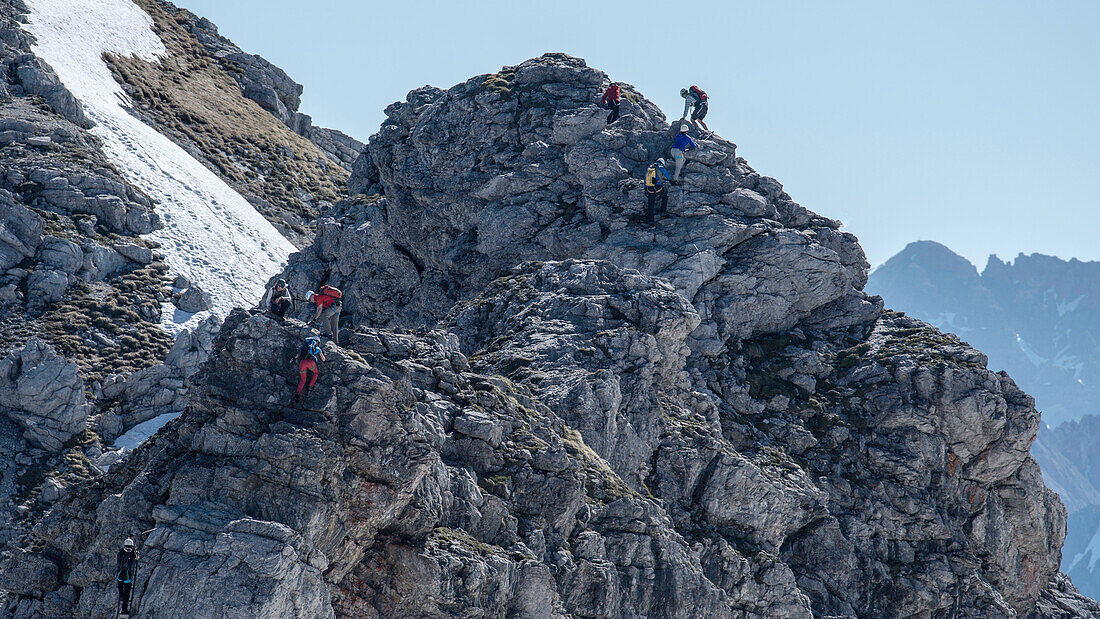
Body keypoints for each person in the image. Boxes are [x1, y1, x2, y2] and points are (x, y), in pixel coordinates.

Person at [292, 336, 326, 403]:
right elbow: (323, 359)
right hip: (310, 362)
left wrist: (294, 358)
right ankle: (310, 386)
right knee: (315, 373)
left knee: (302, 380)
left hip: (302, 363)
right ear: (317, 342)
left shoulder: (304, 346)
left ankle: (298, 393)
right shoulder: (317, 348)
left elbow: (299, 354)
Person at [644, 158, 673, 224]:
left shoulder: (649, 167)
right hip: (658, 187)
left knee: (650, 203)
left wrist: (645, 188)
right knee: (664, 197)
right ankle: (663, 213)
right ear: (662, 163)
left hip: (650, 188)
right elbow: (668, 176)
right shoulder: (660, 167)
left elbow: (645, 178)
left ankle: (650, 220)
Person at [116, 538, 138, 616]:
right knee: (127, 593)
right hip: (127, 575)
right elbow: (136, 558)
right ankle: (124, 609)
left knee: (120, 588)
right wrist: (135, 552)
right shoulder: (132, 553)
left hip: (119, 574)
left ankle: (121, 597)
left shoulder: (120, 552)